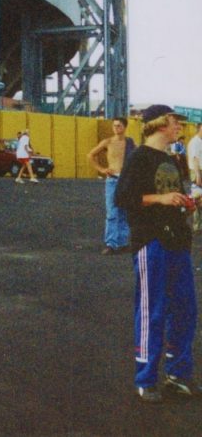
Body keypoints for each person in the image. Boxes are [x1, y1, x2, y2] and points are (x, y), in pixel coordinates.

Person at [114, 105, 196, 403]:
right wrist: (161, 198)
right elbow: (122, 197)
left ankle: (177, 374)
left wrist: (185, 202)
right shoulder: (139, 157)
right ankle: (145, 378)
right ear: (161, 124)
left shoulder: (172, 159)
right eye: (175, 121)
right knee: (153, 310)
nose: (179, 126)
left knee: (186, 308)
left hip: (177, 241)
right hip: (152, 242)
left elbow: (169, 194)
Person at [87, 117, 137, 255]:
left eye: (119, 125)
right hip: (113, 179)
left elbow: (138, 159)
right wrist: (102, 169)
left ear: (125, 127)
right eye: (114, 125)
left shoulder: (130, 143)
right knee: (112, 212)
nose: (116, 128)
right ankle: (111, 243)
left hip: (126, 181)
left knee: (125, 212)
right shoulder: (107, 142)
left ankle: (123, 242)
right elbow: (90, 155)